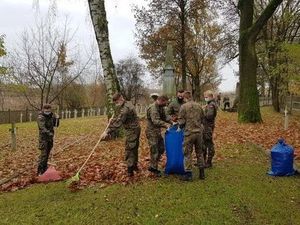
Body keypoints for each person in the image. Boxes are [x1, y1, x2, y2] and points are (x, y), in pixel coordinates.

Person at [101, 93, 141, 177]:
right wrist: (113, 119)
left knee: (129, 149)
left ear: (120, 99)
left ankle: (130, 171)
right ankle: (134, 166)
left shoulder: (126, 108)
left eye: (116, 102)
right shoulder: (127, 103)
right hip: (135, 129)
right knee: (134, 148)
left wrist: (107, 131)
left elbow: (119, 122)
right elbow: (122, 117)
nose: (116, 104)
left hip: (132, 131)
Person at [177, 91, 205, 181]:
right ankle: (202, 173)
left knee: (187, 153)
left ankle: (188, 174)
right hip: (199, 133)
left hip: (189, 133)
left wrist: (179, 127)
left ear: (185, 98)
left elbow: (181, 121)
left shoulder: (183, 107)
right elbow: (202, 118)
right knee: (199, 152)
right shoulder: (199, 106)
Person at [146, 95, 172, 176]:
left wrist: (172, 121)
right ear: (161, 101)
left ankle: (153, 165)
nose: (166, 104)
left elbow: (164, 117)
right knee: (155, 150)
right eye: (165, 102)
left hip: (157, 131)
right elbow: (155, 121)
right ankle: (153, 168)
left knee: (161, 148)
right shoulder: (153, 108)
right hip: (151, 132)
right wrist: (166, 125)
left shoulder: (160, 107)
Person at [37, 104, 59, 175]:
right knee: (43, 155)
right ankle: (40, 171)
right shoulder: (41, 117)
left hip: (50, 139)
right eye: (46, 111)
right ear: (43, 110)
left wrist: (57, 119)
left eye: (49, 111)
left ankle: (45, 168)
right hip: (43, 139)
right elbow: (42, 128)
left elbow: (56, 125)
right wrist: (49, 133)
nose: (47, 112)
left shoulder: (51, 116)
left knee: (47, 154)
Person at [203, 90, 218, 168]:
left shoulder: (211, 105)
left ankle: (208, 162)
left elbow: (209, 116)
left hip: (208, 127)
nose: (205, 98)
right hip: (206, 126)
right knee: (205, 143)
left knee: (209, 144)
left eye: (206, 97)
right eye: (205, 97)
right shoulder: (209, 104)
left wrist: (202, 112)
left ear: (211, 97)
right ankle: (203, 161)